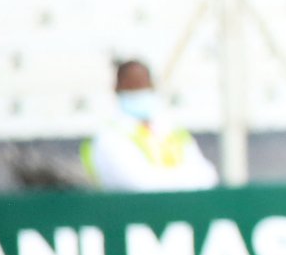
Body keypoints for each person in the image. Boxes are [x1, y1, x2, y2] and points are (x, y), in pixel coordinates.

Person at [83, 59, 217, 193]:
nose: (138, 91)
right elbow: (139, 183)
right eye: (131, 86)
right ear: (117, 88)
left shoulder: (172, 129)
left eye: (143, 84)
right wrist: (185, 178)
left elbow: (207, 176)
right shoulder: (109, 136)